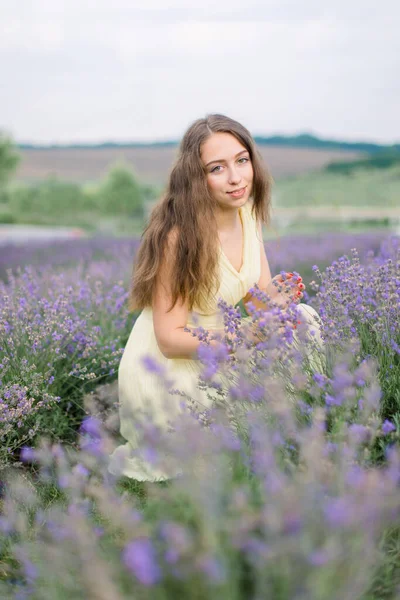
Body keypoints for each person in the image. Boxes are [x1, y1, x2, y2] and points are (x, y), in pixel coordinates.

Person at [108, 114, 323, 481]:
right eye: (217, 168)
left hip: (225, 347)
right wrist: (248, 336)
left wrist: (276, 301)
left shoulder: (248, 214)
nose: (236, 177)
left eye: (242, 160)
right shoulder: (178, 238)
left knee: (303, 318)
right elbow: (170, 339)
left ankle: (307, 417)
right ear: (196, 176)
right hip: (171, 367)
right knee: (218, 456)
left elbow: (255, 299)